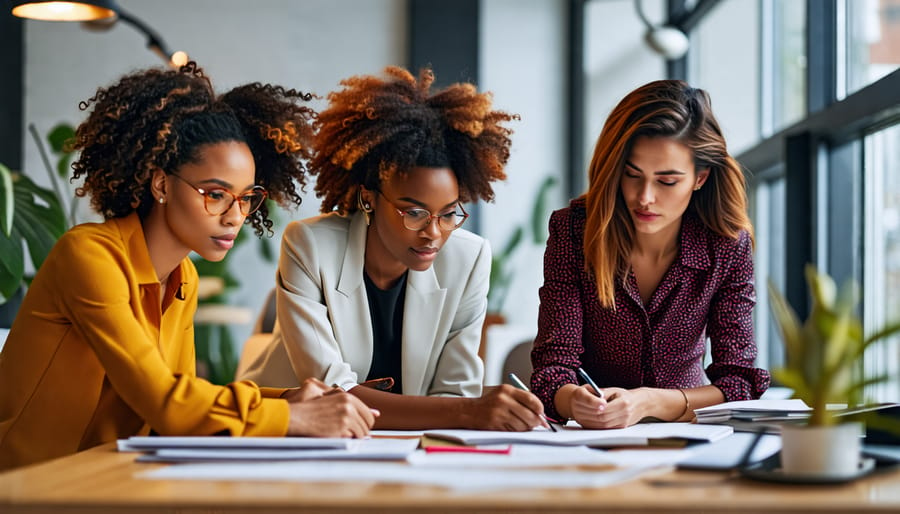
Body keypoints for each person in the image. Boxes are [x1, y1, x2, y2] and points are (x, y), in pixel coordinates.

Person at [0, 63, 376, 471]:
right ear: (161, 184)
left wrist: (288, 399)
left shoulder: (183, 278)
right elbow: (166, 404)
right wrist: (292, 418)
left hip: (108, 476)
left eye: (247, 197)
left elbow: (184, 395)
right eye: (216, 194)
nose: (236, 216)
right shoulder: (89, 255)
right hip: (27, 483)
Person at [240, 66, 547, 431]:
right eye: (414, 212)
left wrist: (463, 410)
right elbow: (331, 394)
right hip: (290, 433)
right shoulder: (310, 246)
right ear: (369, 199)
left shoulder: (468, 259)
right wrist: (466, 411)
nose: (433, 232)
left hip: (402, 447)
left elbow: (454, 391)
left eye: (449, 214)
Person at [530, 79, 770, 429]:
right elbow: (552, 371)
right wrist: (572, 400)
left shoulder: (726, 246)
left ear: (700, 177)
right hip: (591, 440)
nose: (644, 197)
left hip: (688, 437)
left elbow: (740, 383)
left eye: (667, 181)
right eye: (632, 175)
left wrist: (651, 401)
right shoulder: (573, 231)